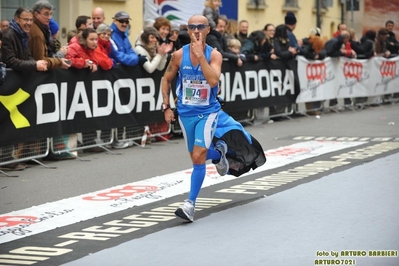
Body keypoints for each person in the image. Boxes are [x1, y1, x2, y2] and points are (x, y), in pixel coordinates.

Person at [161, 14, 227, 222]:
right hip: (186, 113)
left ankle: (190, 204)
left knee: (198, 156)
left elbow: (213, 80)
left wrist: (200, 57)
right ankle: (218, 155)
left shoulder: (214, 55)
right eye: (192, 27)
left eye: (201, 27)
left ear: (208, 30)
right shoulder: (178, 55)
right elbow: (166, 79)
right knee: (197, 157)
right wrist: (166, 107)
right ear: (188, 31)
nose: (196, 30)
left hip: (208, 112)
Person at [28, 0, 70, 70]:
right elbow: (41, 61)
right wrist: (59, 61)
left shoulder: (41, 28)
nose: (49, 17)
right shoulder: (37, 34)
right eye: (46, 14)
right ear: (36, 14)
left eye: (50, 14)